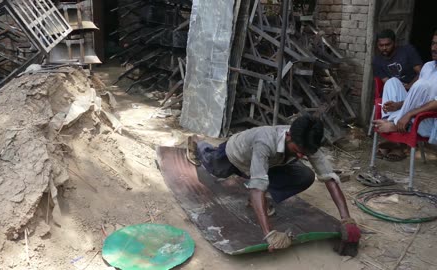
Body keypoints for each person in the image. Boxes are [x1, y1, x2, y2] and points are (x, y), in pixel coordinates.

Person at [187, 115, 361, 255]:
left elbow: (329, 178)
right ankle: (198, 143)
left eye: (305, 153)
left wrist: (347, 219)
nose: (301, 156)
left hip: (271, 163)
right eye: (298, 151)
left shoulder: (306, 142)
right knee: (212, 165)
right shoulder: (265, 142)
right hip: (236, 155)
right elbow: (257, 187)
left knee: (305, 175)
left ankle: (264, 200)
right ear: (288, 136)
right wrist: (269, 234)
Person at [373, 30, 437, 143]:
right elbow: (418, 98)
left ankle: (393, 125)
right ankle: (392, 123)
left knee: (420, 84)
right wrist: (398, 105)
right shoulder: (428, 66)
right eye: (433, 43)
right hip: (411, 118)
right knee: (392, 82)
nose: (434, 48)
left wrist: (409, 113)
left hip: (428, 121)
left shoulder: (407, 52)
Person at [372, 29, 423, 160]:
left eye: (387, 45)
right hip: (396, 95)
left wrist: (410, 86)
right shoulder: (377, 61)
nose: (384, 48)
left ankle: (396, 142)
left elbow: (422, 74)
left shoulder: (407, 51)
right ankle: (396, 139)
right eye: (381, 45)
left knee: (394, 82)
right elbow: (385, 82)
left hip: (414, 94)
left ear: (394, 43)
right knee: (392, 82)